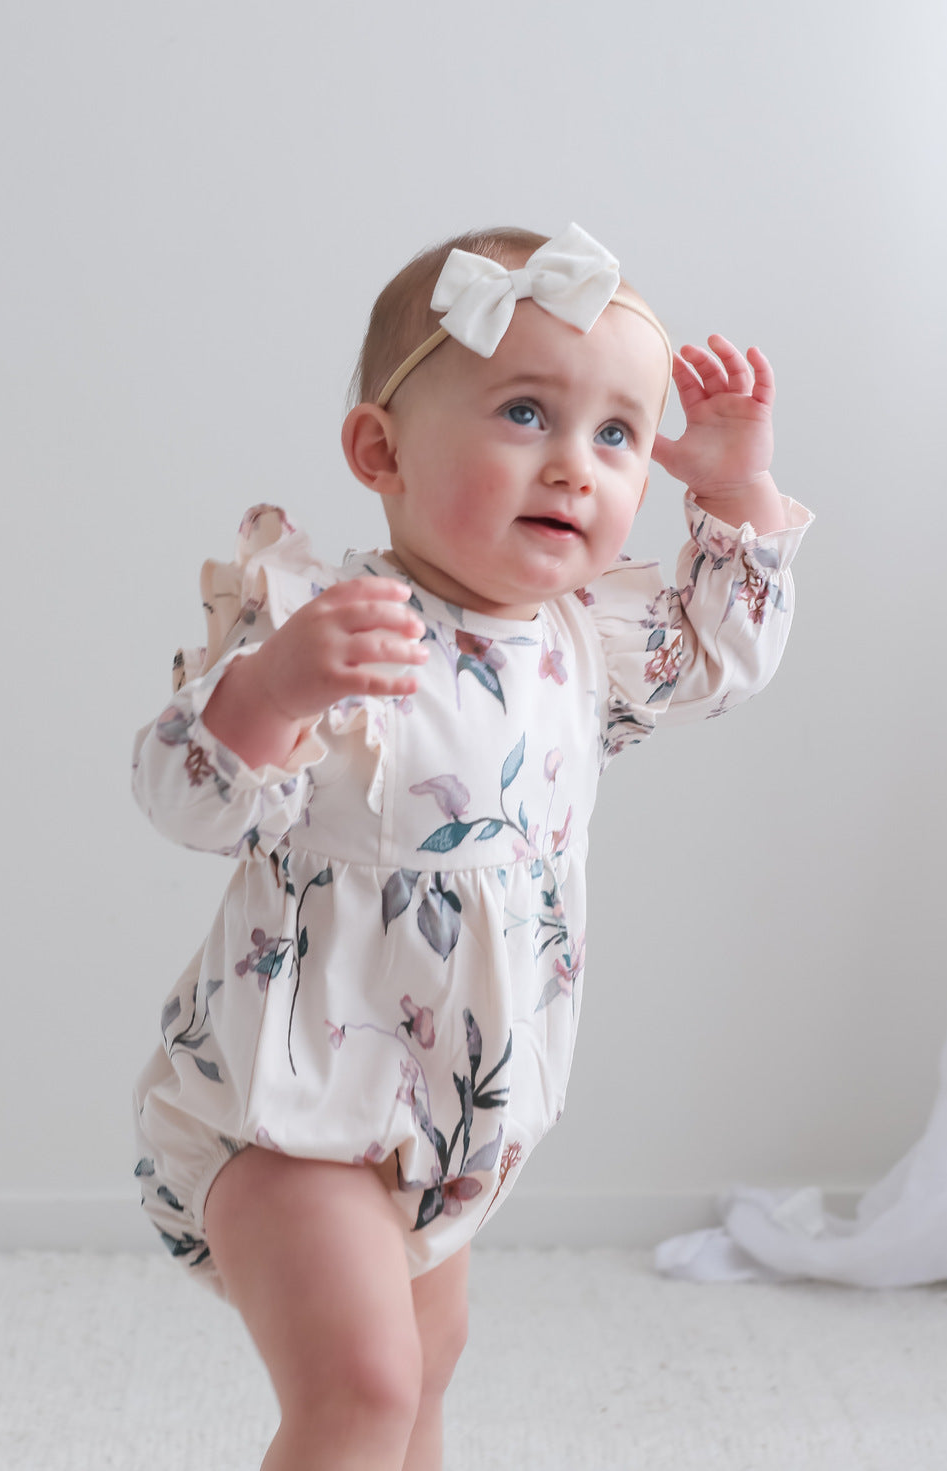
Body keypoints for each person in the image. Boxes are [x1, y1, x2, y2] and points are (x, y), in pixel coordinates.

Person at [131, 223, 811, 1470]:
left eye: (618, 434)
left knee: (427, 1370)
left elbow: (723, 656)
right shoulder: (332, 632)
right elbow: (184, 800)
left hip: (451, 1123)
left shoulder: (578, 640)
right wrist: (270, 693)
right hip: (287, 1110)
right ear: (380, 453)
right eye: (524, 414)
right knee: (363, 1387)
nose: (574, 467)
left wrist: (733, 489)